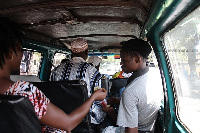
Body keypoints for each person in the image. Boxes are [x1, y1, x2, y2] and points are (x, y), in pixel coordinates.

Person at [0, 17, 107, 133]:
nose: (22, 55)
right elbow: (68, 124)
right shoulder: (23, 91)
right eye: (21, 49)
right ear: (11, 53)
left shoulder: (56, 70)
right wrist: (93, 97)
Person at [102, 38, 162, 133]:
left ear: (137, 59)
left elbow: (131, 131)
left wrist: (110, 112)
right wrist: (120, 101)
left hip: (138, 130)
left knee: (105, 129)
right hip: (149, 128)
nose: (121, 63)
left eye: (124, 60)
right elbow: (141, 102)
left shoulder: (130, 92)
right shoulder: (155, 75)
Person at [50, 38, 106, 127]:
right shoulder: (92, 72)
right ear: (87, 52)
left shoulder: (56, 70)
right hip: (85, 118)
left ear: (71, 52)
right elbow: (98, 99)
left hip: (60, 116)